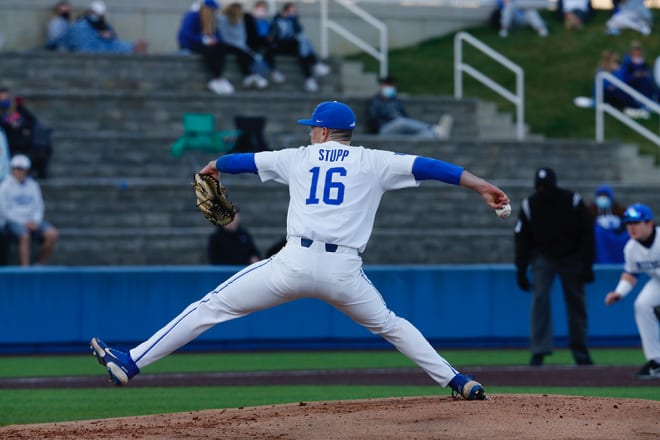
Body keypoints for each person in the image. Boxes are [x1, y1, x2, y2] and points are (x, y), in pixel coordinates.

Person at [90, 100, 512, 401]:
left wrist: (213, 165)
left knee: (211, 307)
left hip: (292, 264)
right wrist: (482, 186)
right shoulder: (373, 160)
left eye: (312, 126)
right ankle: (457, 381)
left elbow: (244, 161)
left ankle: (131, 362)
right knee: (392, 325)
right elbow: (431, 167)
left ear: (324, 132)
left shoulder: (301, 156)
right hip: (344, 271)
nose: (309, 131)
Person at [514, 167, 595, 367]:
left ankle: (580, 350)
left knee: (576, 302)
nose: (542, 190)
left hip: (571, 257)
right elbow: (522, 238)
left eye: (546, 186)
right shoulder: (530, 204)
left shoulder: (572, 200)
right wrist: (521, 269)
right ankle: (539, 350)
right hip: (543, 257)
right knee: (540, 299)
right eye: (539, 186)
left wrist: (587, 264)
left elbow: (587, 233)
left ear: (554, 185)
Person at [604, 203, 660, 380]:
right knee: (642, 305)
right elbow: (631, 273)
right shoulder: (631, 248)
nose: (631, 227)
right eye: (628, 223)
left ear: (649, 223)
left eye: (636, 222)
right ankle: (656, 361)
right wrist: (619, 292)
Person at [0, 155, 59, 266]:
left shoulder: (33, 185)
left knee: (52, 234)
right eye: (16, 168)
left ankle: (39, 264)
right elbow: (4, 211)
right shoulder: (4, 186)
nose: (18, 171)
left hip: (32, 221)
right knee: (24, 235)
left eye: (21, 169)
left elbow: (39, 206)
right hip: (13, 221)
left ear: (27, 170)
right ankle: (25, 269)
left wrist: (35, 221)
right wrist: (23, 223)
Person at [269, 2, 330, 92]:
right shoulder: (277, 20)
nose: (294, 13)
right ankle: (314, 65)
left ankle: (310, 79)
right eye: (292, 11)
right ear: (285, 11)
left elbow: (299, 30)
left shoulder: (293, 21)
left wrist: (294, 20)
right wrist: (281, 16)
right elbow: (274, 34)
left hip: (291, 45)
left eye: (295, 11)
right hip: (279, 45)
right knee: (301, 43)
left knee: (302, 49)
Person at [178, 0, 235, 95]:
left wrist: (213, 40)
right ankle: (218, 77)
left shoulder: (212, 19)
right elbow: (186, 35)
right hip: (191, 44)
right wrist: (203, 40)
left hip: (208, 44)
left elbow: (216, 34)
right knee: (210, 51)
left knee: (221, 48)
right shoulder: (192, 16)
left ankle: (219, 77)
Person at [367, 76, 453, 139]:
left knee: (418, 135)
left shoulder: (396, 101)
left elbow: (405, 115)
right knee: (401, 122)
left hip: (399, 130)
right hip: (384, 129)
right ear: (382, 86)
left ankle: (436, 134)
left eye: (391, 85)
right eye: (387, 85)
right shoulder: (376, 102)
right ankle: (432, 128)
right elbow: (373, 119)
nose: (390, 88)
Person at [0, 87, 53, 179]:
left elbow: (32, 122)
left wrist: (24, 128)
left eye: (6, 98)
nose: (4, 101)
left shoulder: (19, 109)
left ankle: (41, 171)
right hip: (12, 145)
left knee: (42, 133)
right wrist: (12, 126)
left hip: (27, 142)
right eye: (1, 99)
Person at [66, 1, 148, 54]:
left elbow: (113, 41)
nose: (97, 16)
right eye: (95, 13)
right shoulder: (80, 27)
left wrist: (110, 36)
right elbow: (91, 48)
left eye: (100, 15)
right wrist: (130, 48)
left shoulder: (103, 25)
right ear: (89, 11)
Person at [245, 0, 286, 84]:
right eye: (259, 7)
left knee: (269, 48)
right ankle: (268, 72)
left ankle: (272, 71)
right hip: (254, 43)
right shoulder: (250, 20)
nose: (261, 10)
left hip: (266, 43)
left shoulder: (267, 21)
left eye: (263, 8)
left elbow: (270, 32)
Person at [587, 184, 628, 264]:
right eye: (600, 196)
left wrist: (618, 227)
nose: (603, 199)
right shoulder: (590, 210)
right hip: (600, 238)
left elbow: (626, 222)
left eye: (605, 196)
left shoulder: (619, 210)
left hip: (617, 236)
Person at [618, 41, 658, 118]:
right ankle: (641, 105)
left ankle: (648, 104)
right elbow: (623, 79)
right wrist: (634, 76)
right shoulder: (627, 65)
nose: (637, 55)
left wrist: (644, 75)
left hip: (645, 88)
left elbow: (649, 80)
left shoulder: (645, 65)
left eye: (638, 53)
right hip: (631, 88)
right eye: (635, 53)